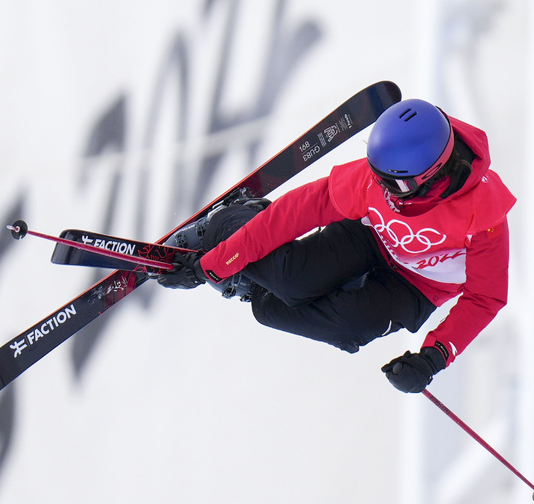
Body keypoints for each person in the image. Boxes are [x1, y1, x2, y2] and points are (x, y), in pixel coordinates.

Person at [157, 98, 515, 393]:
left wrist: (434, 356)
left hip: (418, 285)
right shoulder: (380, 180)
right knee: (291, 280)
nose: (386, 192)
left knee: (300, 318)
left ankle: (256, 284)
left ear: (434, 175)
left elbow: (486, 298)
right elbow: (298, 210)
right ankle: (228, 222)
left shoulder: (483, 217)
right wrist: (220, 259)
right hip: (370, 236)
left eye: (397, 186)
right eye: (379, 177)